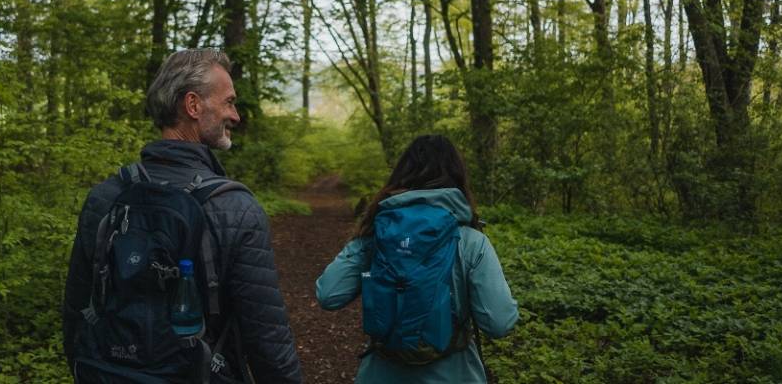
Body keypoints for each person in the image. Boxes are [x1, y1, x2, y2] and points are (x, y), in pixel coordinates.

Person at [62, 49, 302, 383]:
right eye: (229, 102)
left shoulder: (106, 197)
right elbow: (268, 342)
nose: (235, 116)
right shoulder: (235, 208)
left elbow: (76, 317)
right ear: (193, 105)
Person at [315, 134, 518, 383]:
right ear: (457, 176)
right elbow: (499, 323)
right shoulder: (471, 241)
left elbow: (329, 294)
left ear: (400, 174)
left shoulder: (379, 233)